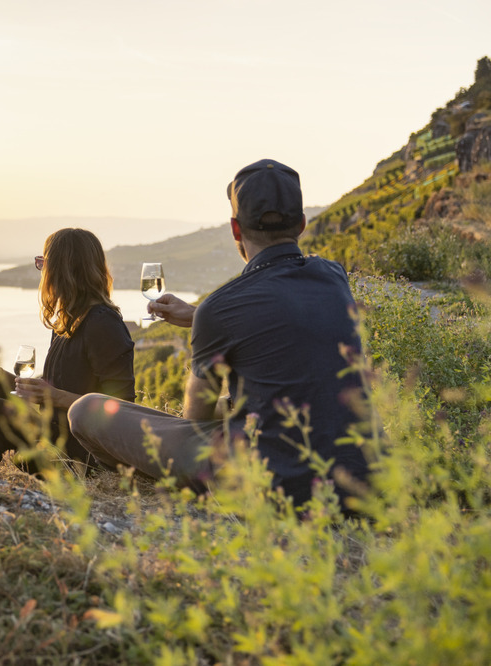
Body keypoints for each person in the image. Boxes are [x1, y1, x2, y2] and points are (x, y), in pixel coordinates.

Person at [68, 159, 374, 514]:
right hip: (356, 482)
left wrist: (209, 331)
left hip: (269, 486)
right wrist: (199, 318)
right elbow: (287, 321)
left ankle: (169, 493)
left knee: (86, 409)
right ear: (302, 224)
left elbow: (195, 419)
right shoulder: (334, 278)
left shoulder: (223, 306)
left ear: (234, 229)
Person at [0, 228, 135, 476]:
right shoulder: (68, 319)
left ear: (62, 270)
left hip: (85, 455)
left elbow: (123, 409)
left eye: (43, 263)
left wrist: (55, 397)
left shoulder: (103, 324)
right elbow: (54, 390)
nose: (41, 271)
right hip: (53, 430)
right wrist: (1, 376)